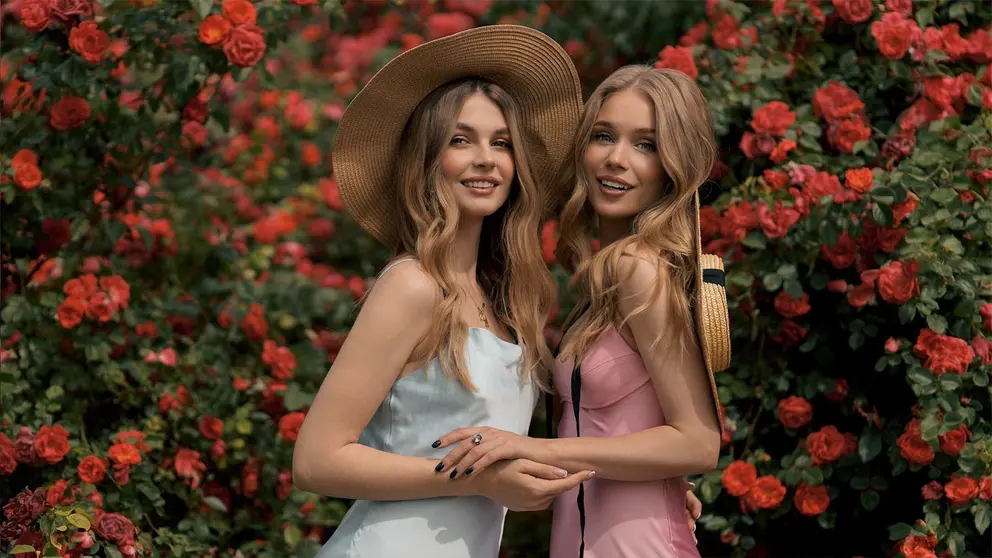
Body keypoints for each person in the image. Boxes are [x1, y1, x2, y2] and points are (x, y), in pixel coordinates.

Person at [291, 25, 595, 558]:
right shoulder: (412, 286)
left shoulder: (508, 307)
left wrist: (650, 489)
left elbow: (539, 453)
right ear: (428, 159)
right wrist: (476, 480)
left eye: (501, 143)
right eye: (461, 140)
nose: (486, 159)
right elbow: (315, 462)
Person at [433, 65, 731, 558]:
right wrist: (645, 477)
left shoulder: (639, 269)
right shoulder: (602, 279)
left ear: (675, 166)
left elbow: (699, 442)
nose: (616, 159)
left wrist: (535, 447)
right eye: (603, 136)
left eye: (646, 144)